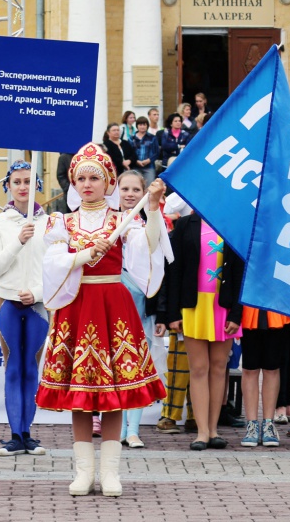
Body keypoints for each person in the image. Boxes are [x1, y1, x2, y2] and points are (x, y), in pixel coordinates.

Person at [36, 143, 167, 497]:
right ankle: (84, 472)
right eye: (81, 178)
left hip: (113, 306)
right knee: (79, 394)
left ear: (108, 181)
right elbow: (52, 264)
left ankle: (110, 473)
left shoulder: (122, 220)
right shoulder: (62, 222)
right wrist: (85, 254)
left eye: (94, 178)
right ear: (73, 183)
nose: (87, 184)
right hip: (76, 307)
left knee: (115, 393)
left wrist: (153, 208)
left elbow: (149, 246)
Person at [161, 212, 241, 451]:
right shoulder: (186, 224)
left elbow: (242, 272)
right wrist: (172, 313)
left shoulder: (234, 223)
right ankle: (201, 432)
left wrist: (237, 314)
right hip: (193, 305)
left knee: (218, 367)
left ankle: (214, 430)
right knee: (198, 368)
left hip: (224, 307)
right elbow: (174, 269)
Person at [0, 161, 48, 456]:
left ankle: (28, 434)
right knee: (12, 367)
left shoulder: (50, 223)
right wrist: (18, 240)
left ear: (37, 186)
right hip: (8, 302)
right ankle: (14, 436)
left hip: (37, 305)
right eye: (17, 181)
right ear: (8, 186)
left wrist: (36, 293)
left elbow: (56, 269)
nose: (23, 187)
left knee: (31, 368)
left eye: (28, 181)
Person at [116, 171, 168, 449]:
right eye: (124, 188)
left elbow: (161, 269)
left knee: (136, 366)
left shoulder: (151, 223)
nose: (130, 194)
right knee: (115, 368)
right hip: (113, 305)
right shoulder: (106, 223)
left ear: (144, 192)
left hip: (141, 308)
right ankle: (118, 428)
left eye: (136, 189)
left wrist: (161, 313)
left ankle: (133, 430)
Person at [228, 247, 285, 448]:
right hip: (248, 306)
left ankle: (268, 424)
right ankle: (252, 424)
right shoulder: (247, 239)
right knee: (250, 368)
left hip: (277, 306)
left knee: (272, 367)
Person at [130, 118, 159, 184]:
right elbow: (129, 153)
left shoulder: (152, 138)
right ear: (137, 126)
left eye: (144, 125)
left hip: (149, 167)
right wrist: (136, 161)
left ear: (147, 126)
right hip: (135, 166)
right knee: (136, 185)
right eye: (140, 125)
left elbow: (157, 152)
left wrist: (149, 160)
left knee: (149, 186)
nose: (142, 127)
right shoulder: (132, 138)